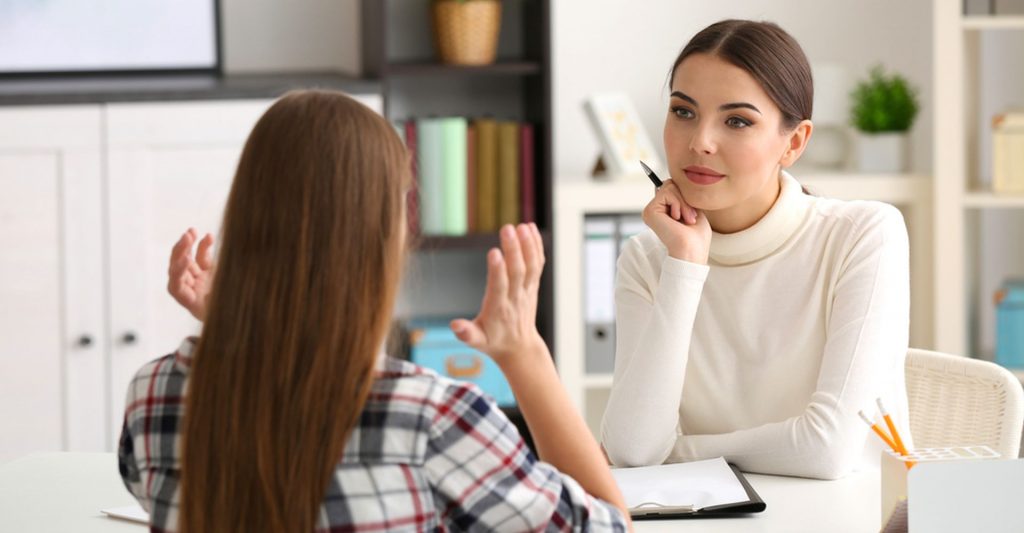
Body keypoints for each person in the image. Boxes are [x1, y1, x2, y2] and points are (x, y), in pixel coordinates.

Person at [117, 90, 630, 532]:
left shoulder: (155, 397)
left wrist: (239, 327)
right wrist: (525, 353)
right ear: (384, 239)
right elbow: (606, 524)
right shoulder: (432, 419)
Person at [601, 19, 913, 480]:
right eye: (683, 111)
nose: (699, 142)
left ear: (794, 142)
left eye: (737, 121)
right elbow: (630, 451)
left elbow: (825, 450)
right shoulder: (648, 259)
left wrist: (674, 453)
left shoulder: (863, 234)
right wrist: (685, 266)